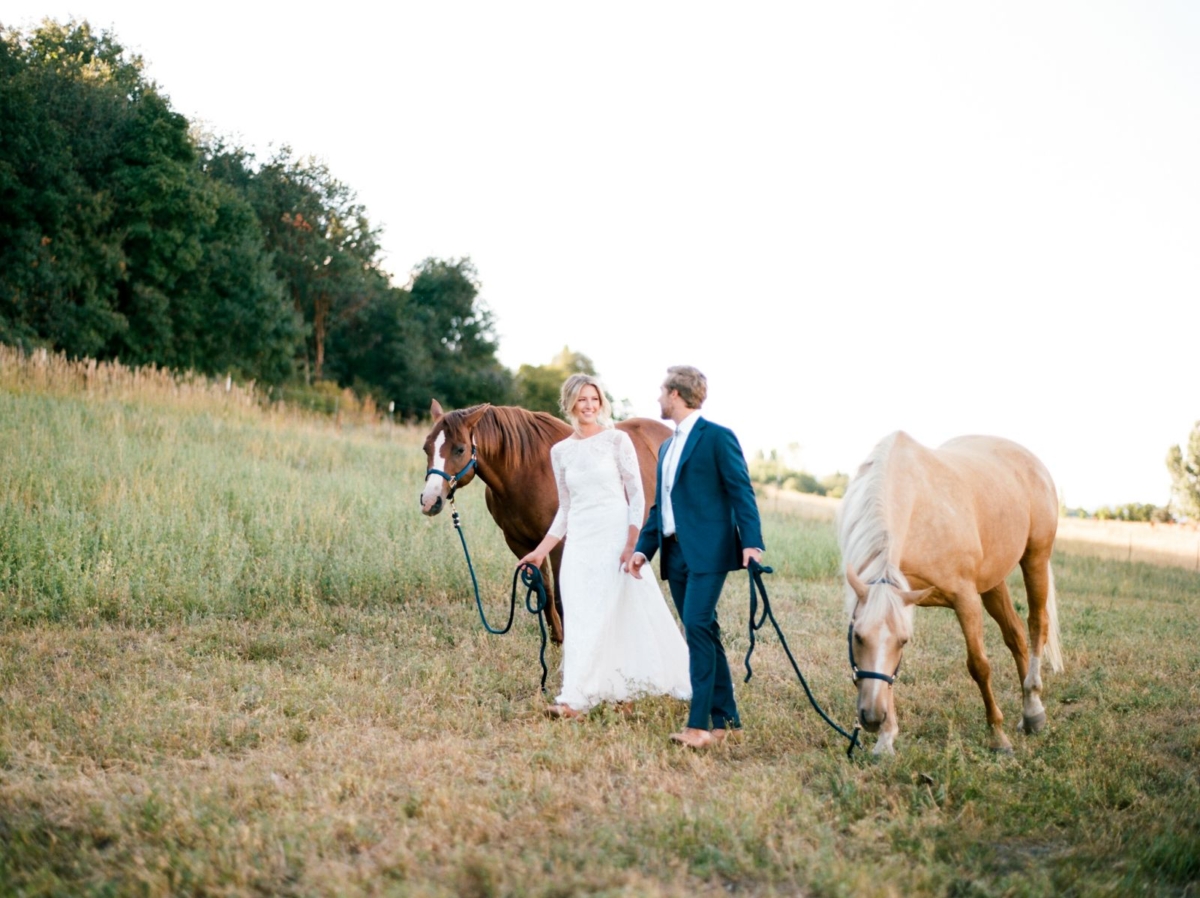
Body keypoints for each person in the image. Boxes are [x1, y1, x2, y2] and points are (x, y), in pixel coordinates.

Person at [517, 374, 691, 718]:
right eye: (582, 399)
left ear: (601, 403)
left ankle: (622, 690)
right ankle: (576, 698)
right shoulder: (561, 451)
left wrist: (631, 543)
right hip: (580, 542)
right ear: (570, 404)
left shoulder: (617, 441)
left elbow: (637, 495)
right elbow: (565, 509)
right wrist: (540, 551)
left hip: (614, 538)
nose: (589, 405)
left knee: (620, 612)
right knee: (581, 615)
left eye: (594, 399)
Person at [630, 365, 764, 750]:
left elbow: (742, 491)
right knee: (702, 630)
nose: (657, 398)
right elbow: (661, 507)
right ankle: (728, 719)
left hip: (708, 552)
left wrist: (751, 543)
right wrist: (644, 548)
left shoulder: (718, 438)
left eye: (661, 391)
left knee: (696, 624)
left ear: (675, 394)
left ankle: (699, 725)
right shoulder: (668, 446)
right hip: (674, 554)